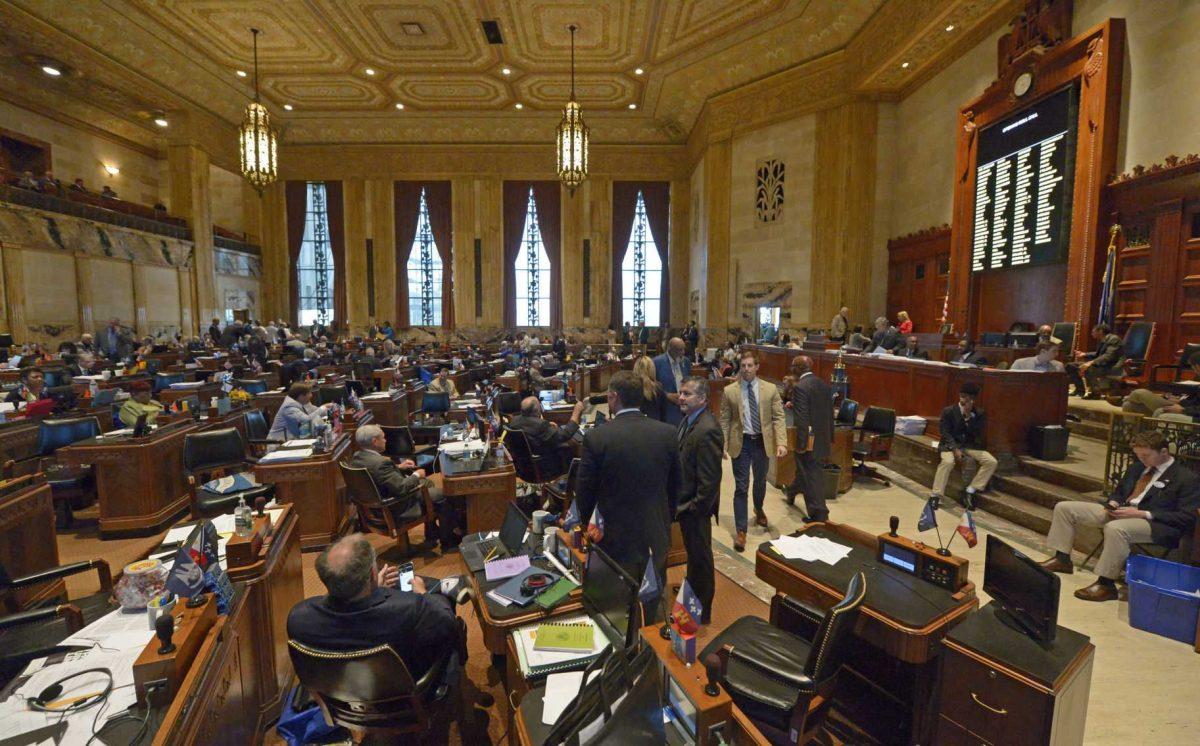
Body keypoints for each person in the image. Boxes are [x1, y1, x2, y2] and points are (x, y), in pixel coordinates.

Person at [1039, 430, 1200, 602]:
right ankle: (1062, 559)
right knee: (1064, 508)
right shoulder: (1138, 467)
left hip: (1155, 523)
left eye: (1146, 455)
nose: (1142, 460)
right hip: (1123, 512)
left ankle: (1106, 583)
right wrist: (1114, 503)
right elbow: (1119, 492)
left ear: (1164, 452)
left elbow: (1187, 517)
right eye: (1138, 455)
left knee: (1116, 529)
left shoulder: (1186, 478)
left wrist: (1143, 513)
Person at [287, 534, 462, 682]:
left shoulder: (299, 617)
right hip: (406, 695)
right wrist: (423, 593)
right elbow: (447, 623)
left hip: (342, 696)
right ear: (372, 573)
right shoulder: (412, 608)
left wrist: (375, 588)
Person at [576, 371, 680, 611]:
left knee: (615, 600)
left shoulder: (596, 437)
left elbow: (585, 491)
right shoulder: (667, 433)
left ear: (613, 397)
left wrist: (584, 525)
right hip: (655, 529)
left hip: (613, 532)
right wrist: (665, 519)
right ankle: (649, 639)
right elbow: (676, 486)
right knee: (652, 594)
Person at [719, 350, 787, 552]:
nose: (746, 369)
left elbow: (778, 417)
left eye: (750, 365)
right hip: (741, 443)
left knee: (760, 481)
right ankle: (741, 531)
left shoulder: (770, 389)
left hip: (762, 443)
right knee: (741, 486)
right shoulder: (730, 391)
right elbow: (724, 419)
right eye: (744, 366)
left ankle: (758, 508)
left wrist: (781, 442)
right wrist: (722, 443)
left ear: (757, 367)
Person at [350, 425, 461, 548]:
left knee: (427, 484)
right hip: (396, 508)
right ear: (374, 441)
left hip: (375, 509)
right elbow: (401, 488)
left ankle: (432, 532)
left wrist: (398, 467)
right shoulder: (381, 463)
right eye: (383, 438)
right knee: (443, 496)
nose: (385, 440)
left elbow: (376, 473)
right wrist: (416, 475)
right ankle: (448, 540)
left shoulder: (357, 458)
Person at [675, 376, 723, 625]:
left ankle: (702, 613)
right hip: (686, 505)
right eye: (681, 393)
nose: (681, 398)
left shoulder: (708, 429)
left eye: (687, 394)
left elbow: (709, 480)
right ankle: (691, 600)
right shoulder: (688, 420)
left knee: (701, 559)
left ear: (703, 399)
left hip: (695, 509)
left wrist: (693, 507)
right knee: (694, 557)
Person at [933, 382, 997, 510]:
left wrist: (968, 417)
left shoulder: (979, 413)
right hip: (949, 445)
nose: (964, 399)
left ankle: (971, 490)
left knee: (991, 461)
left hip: (969, 445)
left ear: (973, 399)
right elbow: (945, 433)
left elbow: (976, 434)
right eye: (962, 396)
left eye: (968, 397)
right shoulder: (949, 411)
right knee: (948, 462)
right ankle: (936, 495)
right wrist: (955, 449)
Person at [784, 356, 834, 523]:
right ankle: (791, 491)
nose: (791, 369)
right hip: (822, 438)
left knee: (811, 477)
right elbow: (829, 414)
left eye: (793, 366)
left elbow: (802, 420)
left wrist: (801, 444)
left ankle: (819, 514)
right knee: (806, 472)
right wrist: (830, 437)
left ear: (799, 368)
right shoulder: (824, 384)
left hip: (809, 441)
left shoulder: (800, 387)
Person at [1122, 350, 1200, 421]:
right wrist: (1181, 401)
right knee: (1128, 406)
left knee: (1139, 393)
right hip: (1184, 406)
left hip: (1191, 414)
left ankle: (1125, 399)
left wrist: (1184, 410)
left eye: (1194, 367)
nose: (1194, 371)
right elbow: (1196, 401)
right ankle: (1134, 435)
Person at [508, 396, 586, 455]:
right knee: (573, 444)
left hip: (526, 462)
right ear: (538, 411)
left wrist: (548, 425)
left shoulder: (514, 420)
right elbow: (564, 435)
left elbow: (531, 426)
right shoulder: (541, 425)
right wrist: (576, 412)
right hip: (544, 462)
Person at [1066, 323, 1124, 399]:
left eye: (1093, 332)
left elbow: (1108, 356)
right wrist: (1084, 354)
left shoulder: (1114, 339)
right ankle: (1080, 390)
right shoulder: (1104, 340)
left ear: (1100, 331)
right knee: (1070, 366)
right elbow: (1098, 354)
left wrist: (1090, 362)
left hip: (1112, 367)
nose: (1092, 333)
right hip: (1102, 365)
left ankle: (1095, 393)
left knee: (1089, 367)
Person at [268, 383, 334, 440]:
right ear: (301, 396)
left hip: (293, 439)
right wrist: (322, 408)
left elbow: (315, 411)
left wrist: (328, 409)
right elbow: (306, 419)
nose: (311, 395)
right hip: (279, 443)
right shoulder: (289, 407)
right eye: (309, 393)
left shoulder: (301, 402)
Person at [653, 337, 689, 426]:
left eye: (684, 349)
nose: (683, 353)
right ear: (670, 349)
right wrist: (666, 395)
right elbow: (651, 385)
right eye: (679, 350)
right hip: (666, 408)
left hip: (685, 407)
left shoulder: (686, 362)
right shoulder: (657, 362)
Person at [632, 355, 668, 421]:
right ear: (652, 369)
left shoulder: (630, 388)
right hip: (655, 424)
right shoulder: (658, 388)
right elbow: (664, 413)